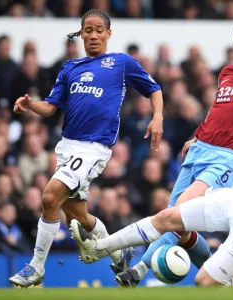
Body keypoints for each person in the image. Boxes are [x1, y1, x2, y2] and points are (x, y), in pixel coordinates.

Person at [72, 20, 233, 287]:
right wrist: (198, 135)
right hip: (200, 150)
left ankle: (136, 268)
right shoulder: (228, 72)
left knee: (180, 208)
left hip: (228, 159)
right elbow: (221, 109)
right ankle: (222, 270)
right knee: (173, 220)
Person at [9, 9, 163, 288]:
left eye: (98, 30)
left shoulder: (121, 63)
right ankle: (119, 252)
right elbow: (51, 107)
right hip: (67, 147)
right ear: (81, 34)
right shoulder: (70, 68)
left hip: (93, 148)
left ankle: (36, 266)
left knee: (49, 196)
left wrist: (157, 117)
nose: (92, 35)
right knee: (77, 216)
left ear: (108, 34)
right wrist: (31, 104)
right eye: (87, 30)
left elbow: (154, 89)